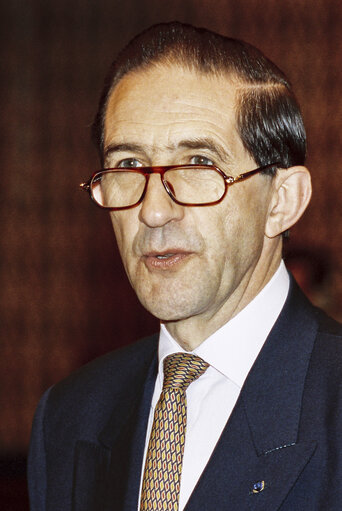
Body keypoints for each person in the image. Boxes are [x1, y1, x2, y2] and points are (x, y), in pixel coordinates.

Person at [28, 22, 342, 511]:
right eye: (129, 166)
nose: (153, 211)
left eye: (198, 164)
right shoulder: (70, 417)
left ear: (282, 201)